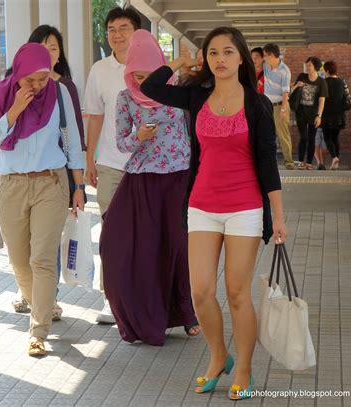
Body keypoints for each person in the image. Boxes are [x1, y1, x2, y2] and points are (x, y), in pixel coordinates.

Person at [141, 26, 287, 399]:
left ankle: (244, 368)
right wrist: (178, 61)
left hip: (245, 209)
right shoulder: (196, 96)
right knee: (201, 291)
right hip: (202, 206)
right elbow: (151, 89)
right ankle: (218, 355)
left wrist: (279, 216)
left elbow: (268, 164)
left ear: (242, 57)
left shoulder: (257, 105)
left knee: (237, 292)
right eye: (212, 53)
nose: (219, 60)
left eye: (227, 52)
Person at [0, 43, 85, 356]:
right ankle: (45, 303)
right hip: (11, 185)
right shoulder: (0, 94)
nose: (37, 85)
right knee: (19, 260)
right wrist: (15, 110)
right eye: (30, 80)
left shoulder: (60, 94)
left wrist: (77, 186)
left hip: (51, 183)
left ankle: (38, 331)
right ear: (19, 73)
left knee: (42, 258)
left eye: (42, 78)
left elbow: (73, 140)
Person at [99, 29, 200, 346]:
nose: (143, 81)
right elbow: (121, 143)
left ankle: (186, 313)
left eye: (149, 74)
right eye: (137, 75)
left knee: (178, 247)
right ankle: (139, 315)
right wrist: (138, 137)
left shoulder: (178, 91)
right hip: (141, 178)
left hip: (177, 178)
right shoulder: (125, 98)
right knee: (126, 246)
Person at [84, 6, 141, 324]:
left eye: (123, 28)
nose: (117, 35)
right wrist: (89, 159)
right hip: (109, 164)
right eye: (111, 29)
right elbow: (95, 116)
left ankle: (141, 295)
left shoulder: (154, 67)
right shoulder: (100, 70)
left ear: (137, 32)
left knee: (144, 231)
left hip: (149, 165)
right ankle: (111, 298)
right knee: (112, 232)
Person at [291, 56, 328, 170]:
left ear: (316, 67)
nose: (307, 67)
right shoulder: (302, 76)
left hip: (313, 114)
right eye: (306, 65)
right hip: (300, 112)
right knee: (304, 137)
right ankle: (301, 161)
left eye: (310, 65)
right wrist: (297, 85)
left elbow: (322, 100)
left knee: (311, 138)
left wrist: (319, 116)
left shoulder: (321, 82)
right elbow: (291, 90)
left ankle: (309, 163)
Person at [262, 43, 295, 170]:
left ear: (271, 55)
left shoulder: (284, 70)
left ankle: (289, 162)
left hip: (280, 106)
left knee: (283, 134)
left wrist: (283, 109)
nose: (264, 58)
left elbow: (285, 92)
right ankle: (270, 160)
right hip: (266, 105)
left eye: (265, 55)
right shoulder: (265, 66)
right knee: (267, 133)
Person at [322, 60, 351, 170]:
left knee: (327, 137)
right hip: (339, 115)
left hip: (326, 115)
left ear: (327, 70)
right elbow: (346, 97)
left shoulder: (324, 82)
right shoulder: (342, 81)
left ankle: (334, 157)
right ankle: (336, 161)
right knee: (335, 138)